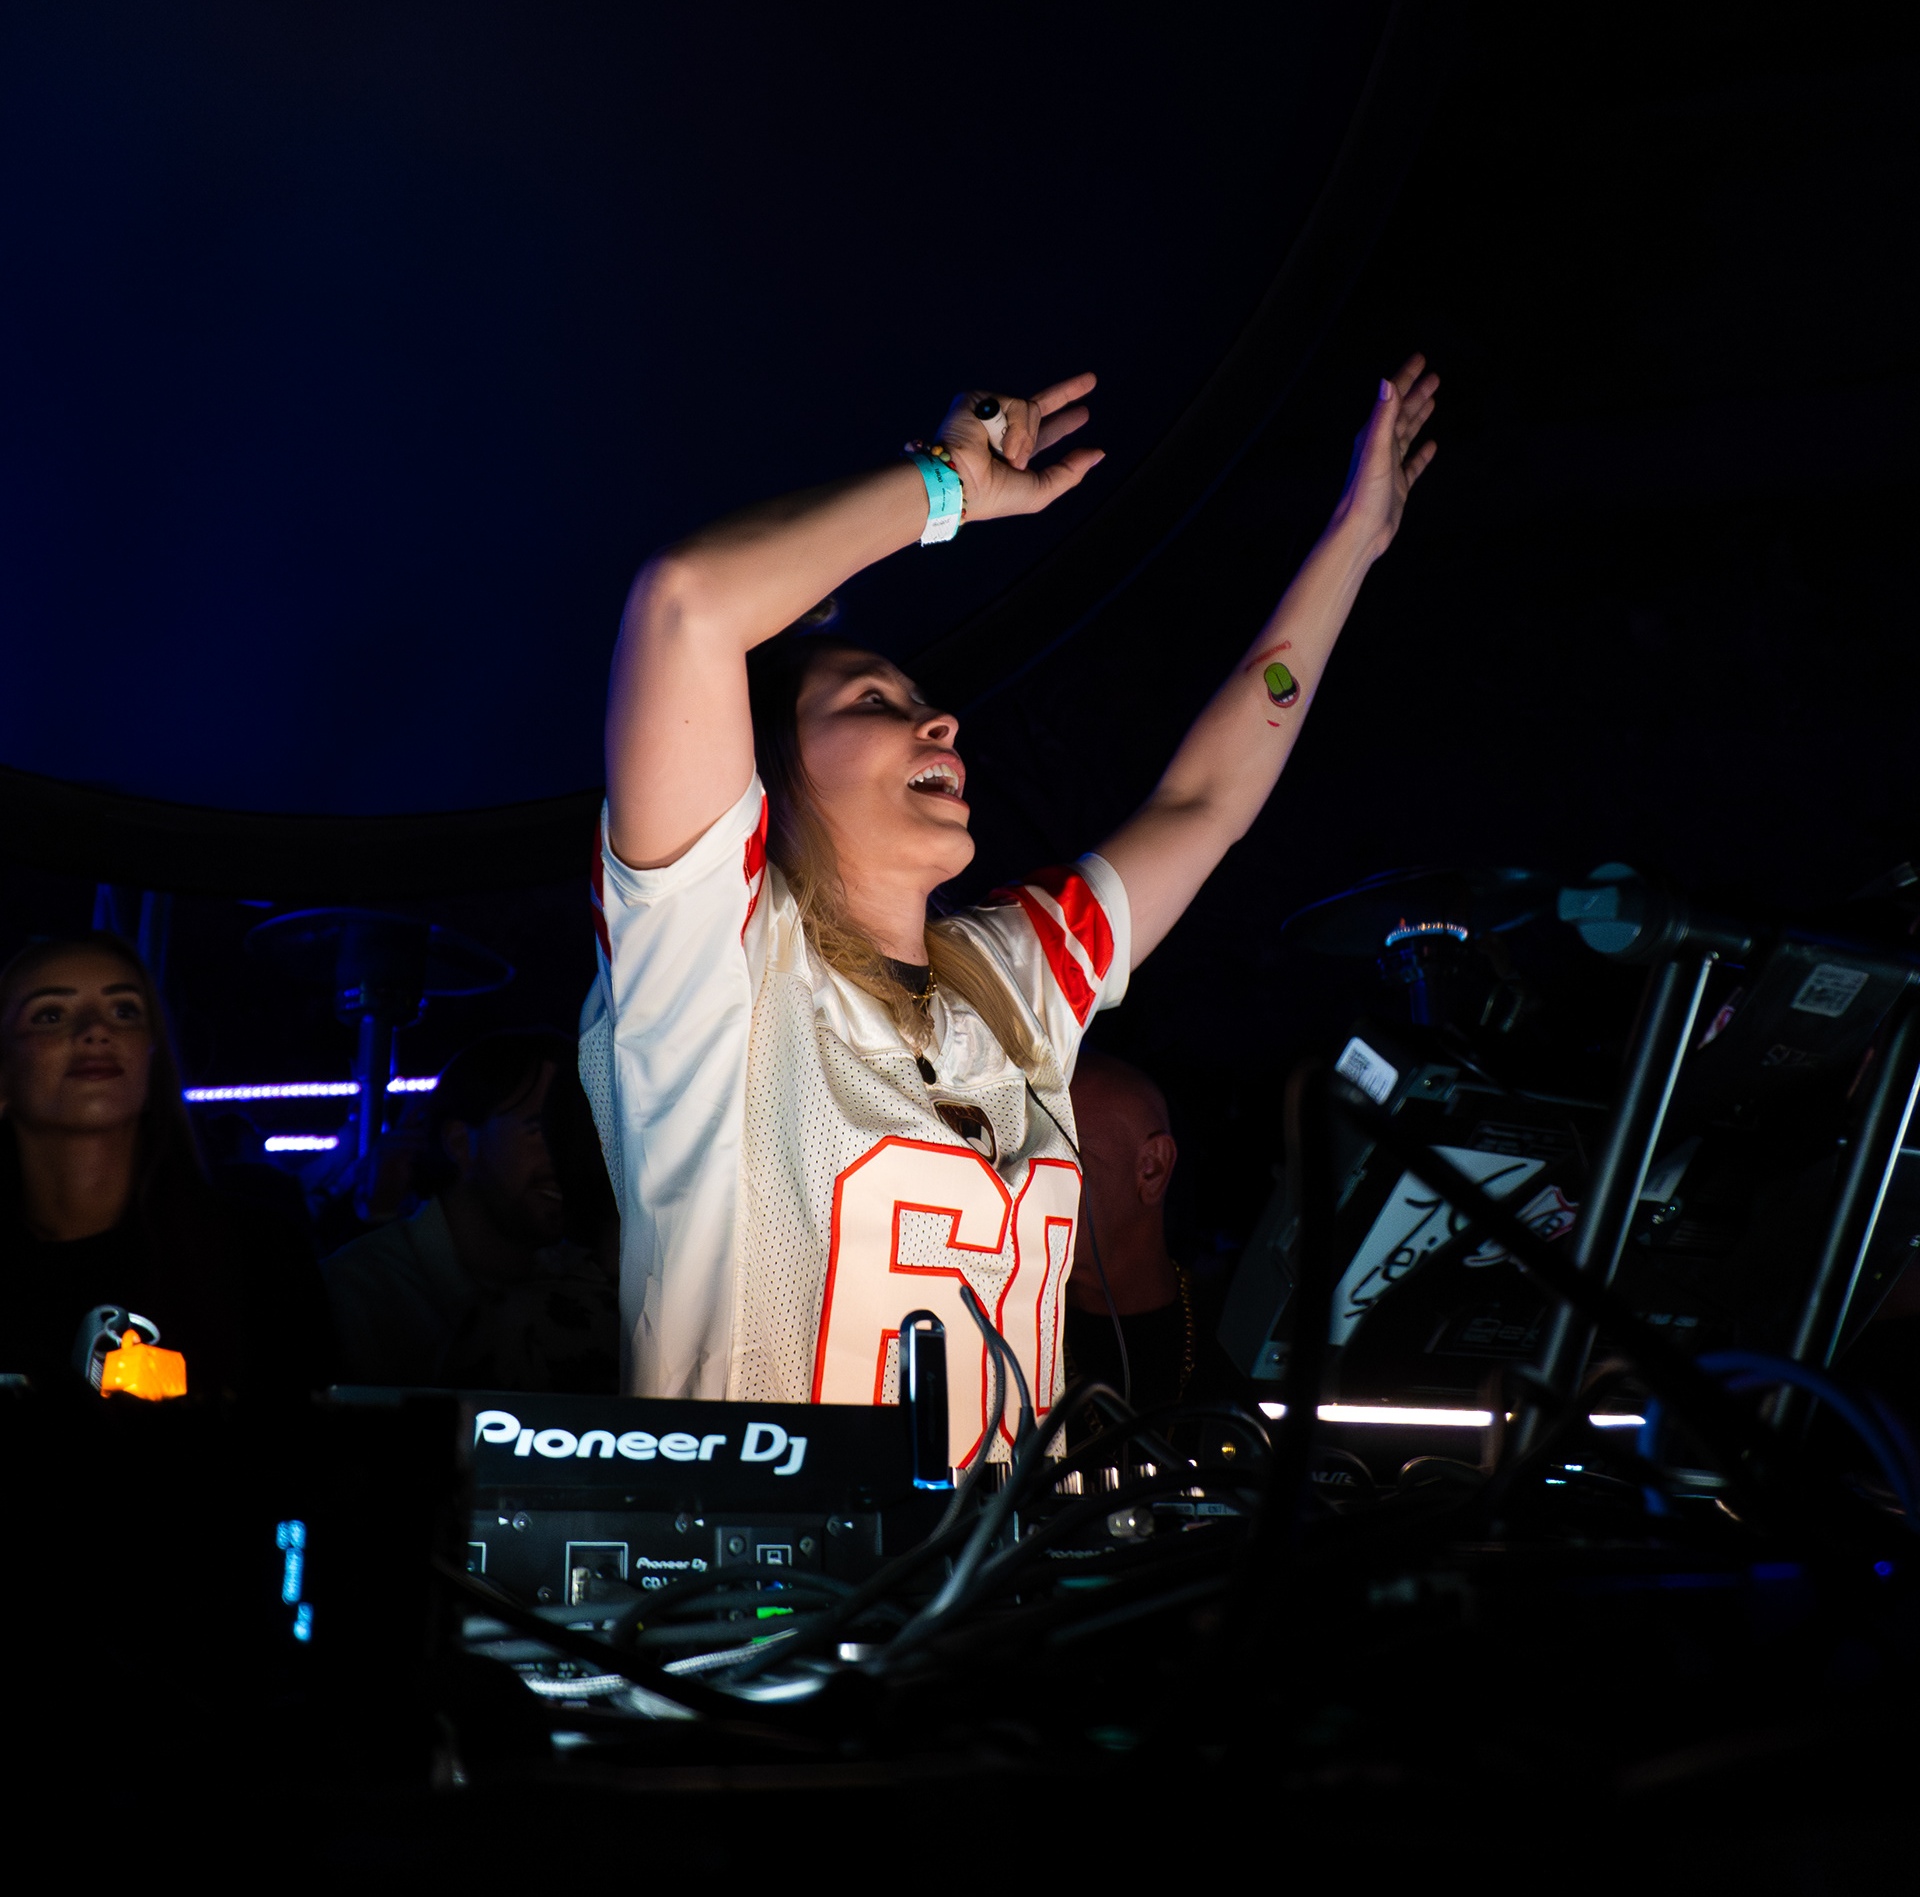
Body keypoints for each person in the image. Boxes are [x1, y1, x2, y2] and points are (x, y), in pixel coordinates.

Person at [586, 356, 1438, 1467]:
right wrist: (947, 486)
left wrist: (1355, 542)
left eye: (927, 702)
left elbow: (1205, 801)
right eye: (874, 701)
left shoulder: (1009, 983)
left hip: (1010, 1573)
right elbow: (687, 603)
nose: (940, 723)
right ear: (768, 775)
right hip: (763, 1578)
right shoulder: (717, 968)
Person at [0, 931, 333, 1395]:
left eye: (124, 1011)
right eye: (51, 1015)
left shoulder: (260, 1259)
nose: (96, 1031)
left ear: (151, 1056)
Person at [324, 1031, 619, 1391]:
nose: (566, 1155)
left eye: (578, 1136)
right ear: (460, 1142)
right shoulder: (358, 1294)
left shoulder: (583, 1281)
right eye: (542, 1131)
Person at [1060, 1049, 1251, 1425]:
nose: (1023, 1182)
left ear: (1152, 1168)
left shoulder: (1240, 1337)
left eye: (1061, 1155)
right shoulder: (1003, 1335)